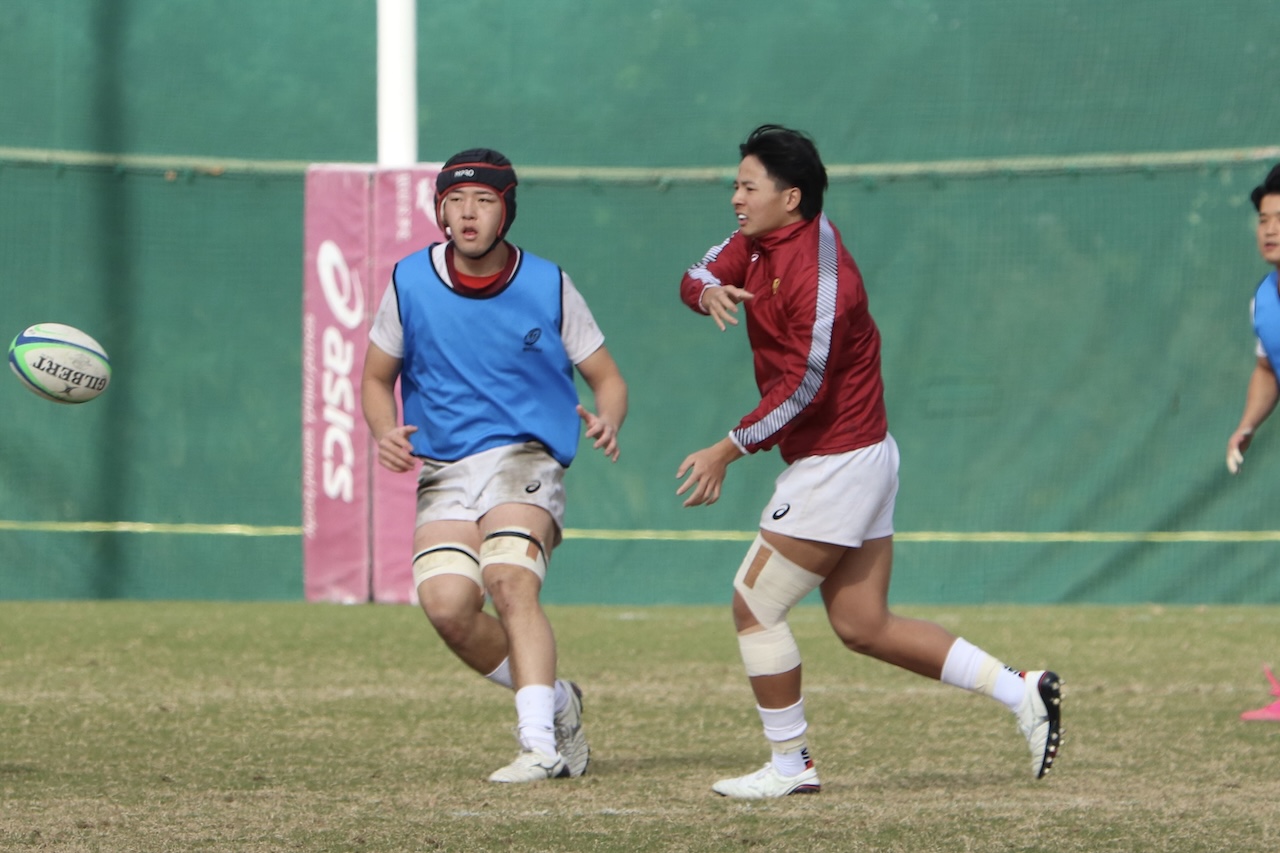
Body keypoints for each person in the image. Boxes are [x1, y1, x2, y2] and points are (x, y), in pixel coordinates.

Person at [675, 124, 1063, 798]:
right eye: (736, 183)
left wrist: (726, 448)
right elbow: (699, 271)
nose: (735, 196)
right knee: (864, 625)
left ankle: (790, 763)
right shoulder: (761, 240)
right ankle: (1021, 690)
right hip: (857, 455)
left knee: (753, 604)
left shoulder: (821, 275)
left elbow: (804, 387)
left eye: (748, 185)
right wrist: (704, 291)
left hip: (840, 461)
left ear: (790, 196)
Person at [361, 148, 628, 782]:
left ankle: (539, 744)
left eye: (483, 200)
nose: (468, 213)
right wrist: (382, 431)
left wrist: (608, 416)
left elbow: (606, 377)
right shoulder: (408, 281)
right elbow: (376, 379)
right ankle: (558, 700)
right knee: (449, 608)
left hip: (525, 455)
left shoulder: (548, 284)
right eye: (455, 201)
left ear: (506, 209)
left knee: (510, 580)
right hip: (446, 466)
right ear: (439, 212)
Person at [1225, 163, 1280, 722]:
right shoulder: (1264, 300)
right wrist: (1248, 424)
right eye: (1265, 218)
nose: (1271, 228)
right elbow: (1268, 369)